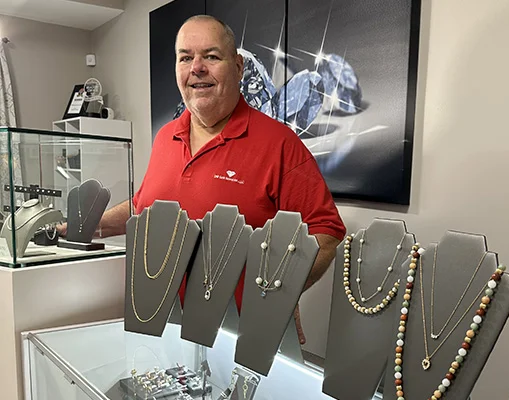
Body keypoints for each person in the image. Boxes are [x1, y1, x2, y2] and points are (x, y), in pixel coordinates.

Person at [65, 15, 346, 344]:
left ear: (238, 67)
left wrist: (280, 294)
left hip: (246, 337)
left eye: (211, 56)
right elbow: (143, 207)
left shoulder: (280, 144)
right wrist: (81, 226)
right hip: (166, 328)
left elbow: (326, 231)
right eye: (185, 57)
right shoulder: (165, 137)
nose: (196, 67)